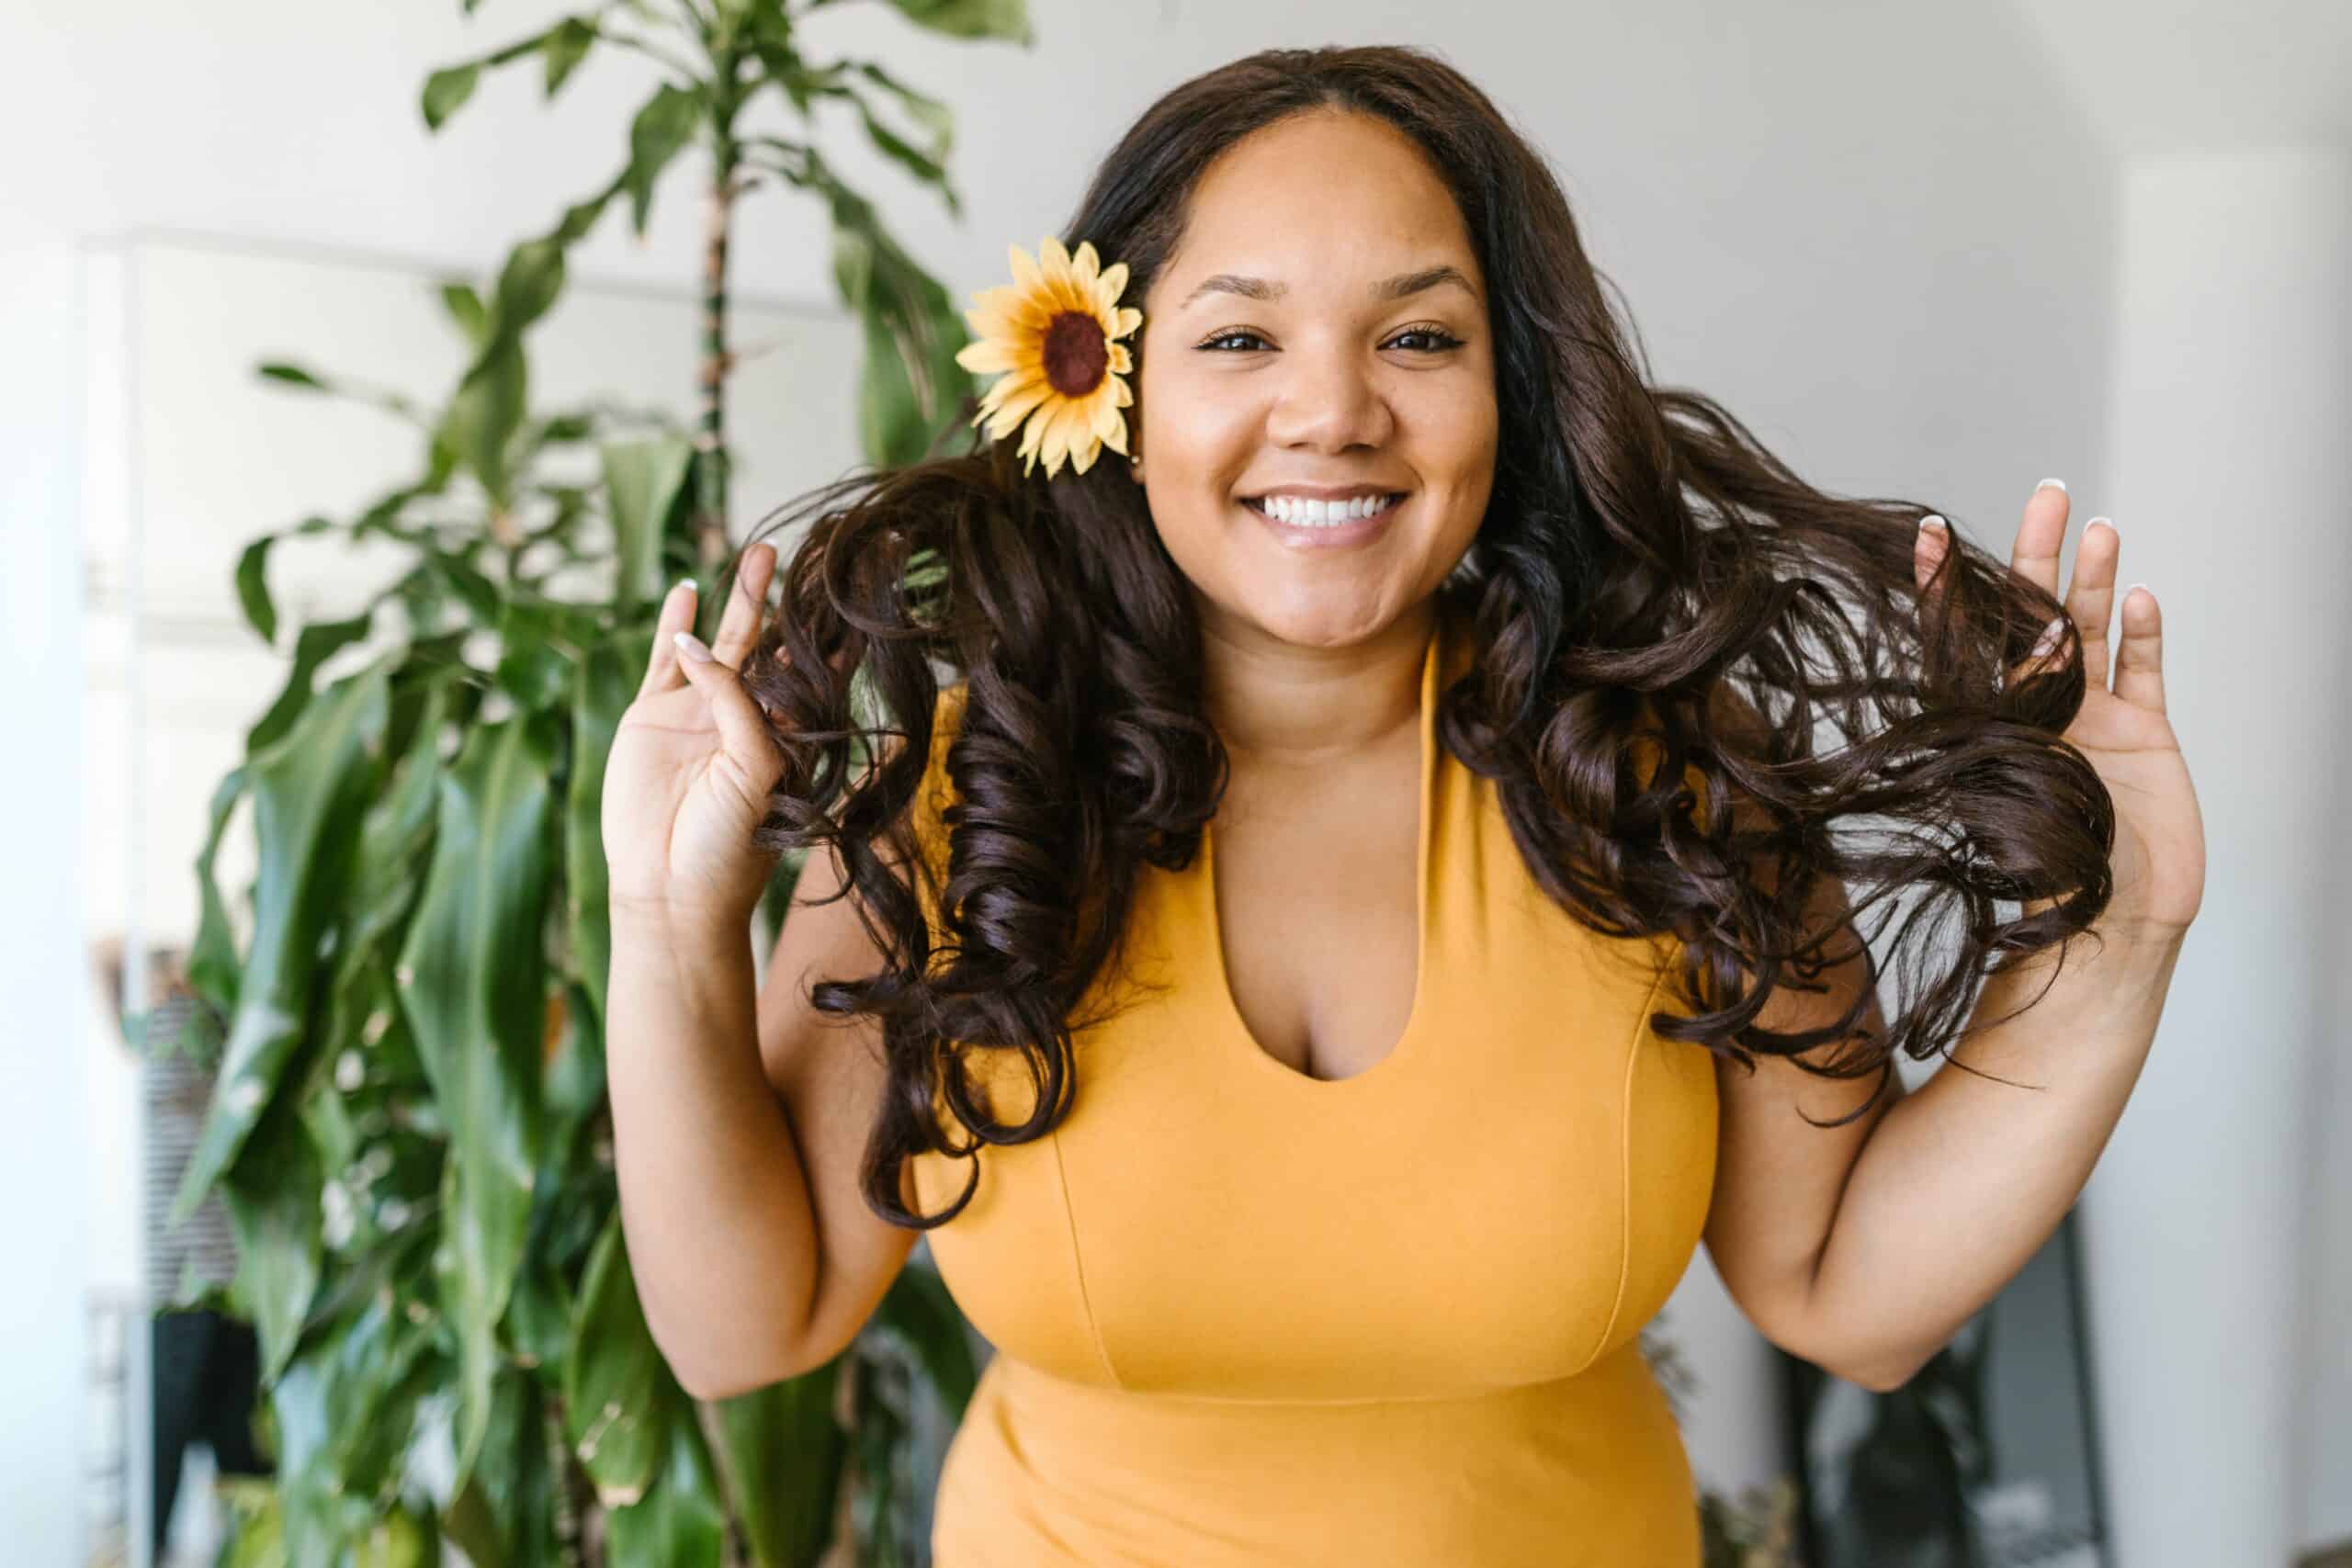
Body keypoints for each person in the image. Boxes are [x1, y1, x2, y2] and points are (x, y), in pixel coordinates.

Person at [598, 44, 2204, 1567]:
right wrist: (667, 925)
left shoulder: (1665, 779)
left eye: (1419, 337)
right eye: (1239, 338)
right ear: (1106, 390)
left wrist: (2123, 938)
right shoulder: (972, 796)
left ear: (1515, 391)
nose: (1334, 412)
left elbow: (1849, 1293)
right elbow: (753, 1328)